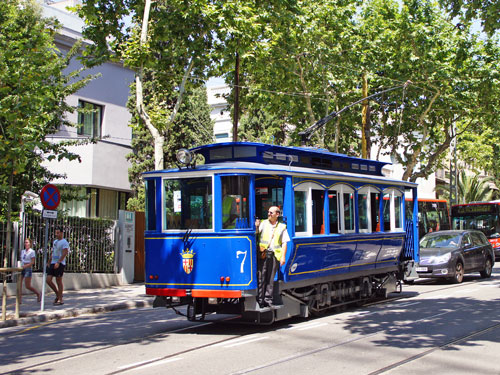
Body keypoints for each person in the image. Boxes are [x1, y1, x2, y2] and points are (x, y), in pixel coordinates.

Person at [255, 206, 290, 308]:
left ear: (277, 214)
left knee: (270, 279)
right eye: (268, 212)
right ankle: (260, 300)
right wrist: (256, 226)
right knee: (261, 277)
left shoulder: (282, 227)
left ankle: (268, 300)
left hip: (274, 256)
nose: (269, 214)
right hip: (263, 255)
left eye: (271, 212)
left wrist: (283, 257)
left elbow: (284, 243)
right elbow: (256, 233)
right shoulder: (263, 223)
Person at [46, 227, 69, 305]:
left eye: (58, 233)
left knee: (58, 280)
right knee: (48, 280)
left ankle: (60, 299)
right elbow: (54, 251)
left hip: (60, 263)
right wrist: (49, 261)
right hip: (53, 262)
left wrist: (59, 262)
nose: (56, 234)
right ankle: (58, 294)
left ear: (62, 233)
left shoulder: (64, 242)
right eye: (56, 232)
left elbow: (65, 253)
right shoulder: (55, 241)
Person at [20, 238, 41, 304]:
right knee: (19, 284)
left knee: (27, 286)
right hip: (22, 268)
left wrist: (26, 266)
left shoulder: (32, 251)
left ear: (30, 244)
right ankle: (19, 300)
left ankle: (38, 293)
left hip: (28, 268)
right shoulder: (23, 251)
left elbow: (32, 262)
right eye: (25, 242)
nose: (26, 244)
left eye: (27, 242)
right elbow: (22, 260)